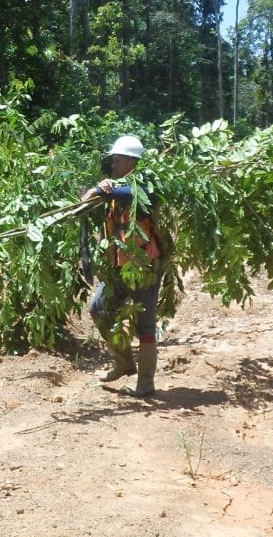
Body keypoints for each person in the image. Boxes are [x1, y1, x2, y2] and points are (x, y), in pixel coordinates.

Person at [82, 135, 165, 397]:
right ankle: (124, 361)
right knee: (98, 308)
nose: (113, 164)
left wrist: (103, 190)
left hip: (145, 265)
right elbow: (94, 200)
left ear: (131, 161)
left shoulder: (148, 182)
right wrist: (101, 188)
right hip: (118, 265)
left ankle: (146, 383)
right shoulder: (116, 185)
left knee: (145, 325)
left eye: (117, 160)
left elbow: (139, 195)